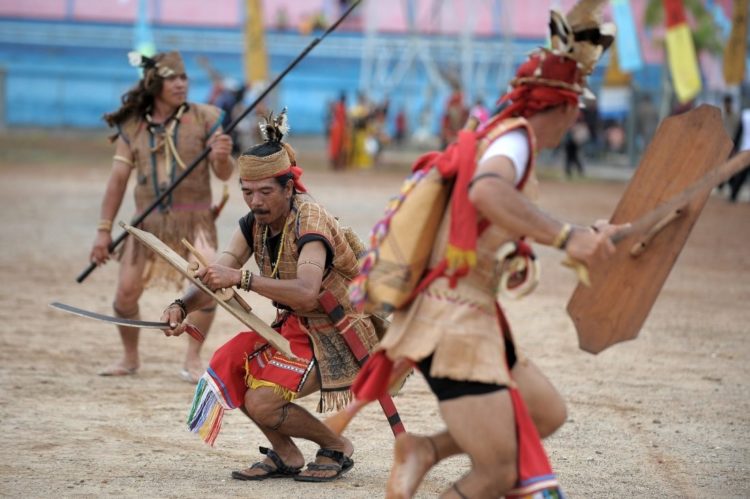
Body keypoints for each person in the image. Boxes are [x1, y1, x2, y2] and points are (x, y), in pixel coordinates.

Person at [374, 47, 623, 498]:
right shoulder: (516, 141)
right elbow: (487, 191)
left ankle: (426, 449)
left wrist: (585, 235)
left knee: (546, 411)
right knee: (497, 471)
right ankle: (425, 452)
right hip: (451, 321)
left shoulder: (502, 136)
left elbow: (488, 217)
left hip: (475, 314)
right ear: (567, 107)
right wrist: (568, 237)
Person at [161, 111, 380, 482]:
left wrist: (242, 278)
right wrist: (181, 305)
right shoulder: (253, 224)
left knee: (261, 401)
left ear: (288, 188)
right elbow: (218, 273)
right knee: (234, 365)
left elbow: (307, 292)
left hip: (337, 330)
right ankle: (286, 454)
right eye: (247, 192)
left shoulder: (310, 221)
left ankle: (337, 447)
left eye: (265, 192)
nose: (255, 201)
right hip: (295, 326)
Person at [89, 51, 235, 381]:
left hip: (196, 219)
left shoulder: (206, 118)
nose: (181, 83)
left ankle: (193, 358)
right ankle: (129, 358)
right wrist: (103, 231)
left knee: (207, 280)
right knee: (125, 293)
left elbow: (224, 174)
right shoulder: (134, 127)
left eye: (184, 77)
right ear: (155, 83)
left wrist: (222, 158)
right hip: (147, 224)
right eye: (173, 78)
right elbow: (117, 181)